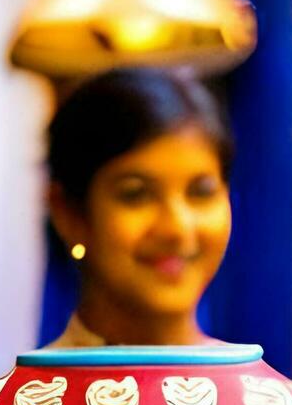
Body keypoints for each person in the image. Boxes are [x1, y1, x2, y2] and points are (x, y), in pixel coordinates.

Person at [43, 68, 233, 347]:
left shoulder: (272, 392)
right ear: (69, 214)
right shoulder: (23, 392)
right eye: (137, 195)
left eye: (201, 192)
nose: (177, 228)